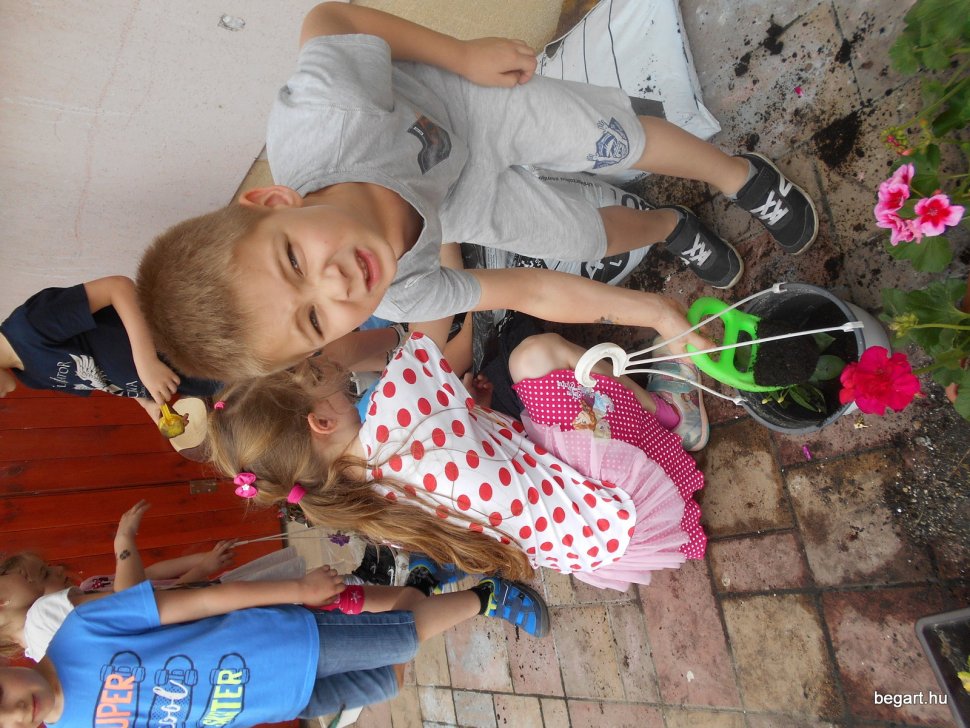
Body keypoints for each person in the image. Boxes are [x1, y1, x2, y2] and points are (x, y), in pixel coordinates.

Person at [137, 2, 818, 381]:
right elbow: (532, 290)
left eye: (294, 261)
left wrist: (459, 55)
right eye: (314, 320)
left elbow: (329, 18)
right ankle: (670, 225)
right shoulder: (403, 293)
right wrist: (660, 315)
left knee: (614, 140)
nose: (337, 285)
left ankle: (740, 176)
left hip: (469, 107)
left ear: (272, 203)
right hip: (458, 204)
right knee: (581, 239)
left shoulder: (326, 118)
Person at [207, 331, 706, 591]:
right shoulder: (393, 415)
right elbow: (437, 332)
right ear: (320, 421)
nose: (331, 370)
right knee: (534, 356)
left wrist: (475, 416)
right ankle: (670, 416)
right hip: (619, 503)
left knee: (527, 385)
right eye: (317, 373)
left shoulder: (361, 503)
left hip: (593, 547)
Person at [0, 500, 549, 728]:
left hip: (279, 643)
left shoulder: (78, 632)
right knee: (393, 675)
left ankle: (489, 597)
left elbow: (199, 600)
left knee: (404, 635)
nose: (17, 709)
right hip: (274, 700)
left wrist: (298, 589)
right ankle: (425, 582)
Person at [0, 277, 220, 421]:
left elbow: (118, 287)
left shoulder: (29, 325)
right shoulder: (30, 377)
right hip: (190, 379)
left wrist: (147, 362)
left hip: (191, 341)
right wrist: (147, 404)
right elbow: (100, 377)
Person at [0, 535, 237, 660]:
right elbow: (147, 606)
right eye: (45, 574)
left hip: (211, 596)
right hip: (202, 615)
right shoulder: (50, 628)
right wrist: (203, 568)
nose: (59, 569)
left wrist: (203, 559)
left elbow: (152, 574)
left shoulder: (91, 586)